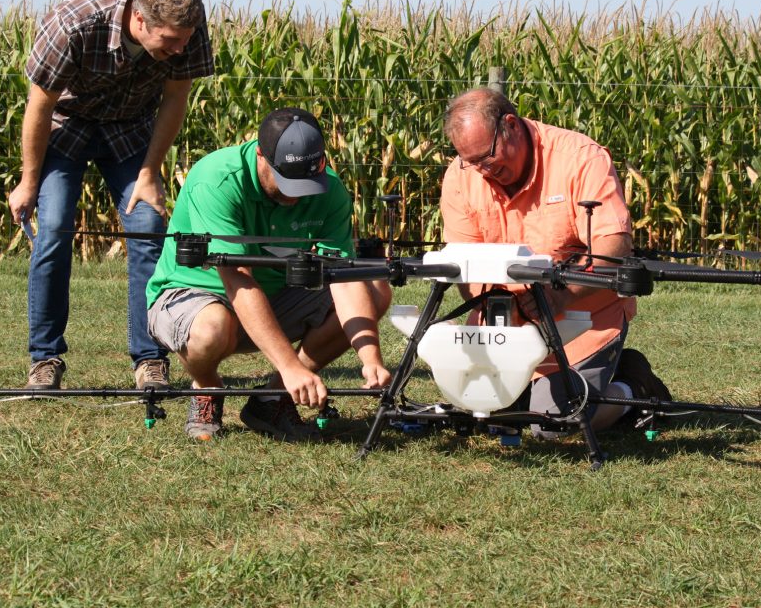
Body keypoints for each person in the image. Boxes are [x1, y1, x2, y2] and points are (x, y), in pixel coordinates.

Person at [8, 0, 215, 391]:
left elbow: (175, 98)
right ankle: (45, 358)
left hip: (131, 131)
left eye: (184, 40)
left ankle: (150, 360)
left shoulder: (188, 27)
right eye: (171, 41)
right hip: (68, 126)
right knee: (53, 229)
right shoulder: (74, 24)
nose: (180, 49)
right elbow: (39, 108)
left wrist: (149, 172)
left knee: (147, 229)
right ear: (140, 22)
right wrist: (29, 182)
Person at [146, 108, 393, 441]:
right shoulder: (217, 179)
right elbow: (239, 280)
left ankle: (272, 398)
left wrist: (370, 358)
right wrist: (292, 366)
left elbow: (342, 278)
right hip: (194, 295)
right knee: (211, 328)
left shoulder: (330, 191)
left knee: (374, 290)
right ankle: (206, 386)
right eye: (288, 180)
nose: (296, 194)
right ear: (261, 154)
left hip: (275, 296)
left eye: (306, 183)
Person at [439, 87, 671, 438]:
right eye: (468, 161)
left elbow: (613, 247)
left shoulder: (580, 159)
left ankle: (636, 391)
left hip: (580, 317)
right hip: (506, 320)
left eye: (486, 158)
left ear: (511, 126)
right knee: (488, 417)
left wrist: (560, 296)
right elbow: (462, 260)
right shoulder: (463, 174)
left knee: (554, 425)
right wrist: (497, 306)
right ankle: (597, 378)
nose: (481, 171)